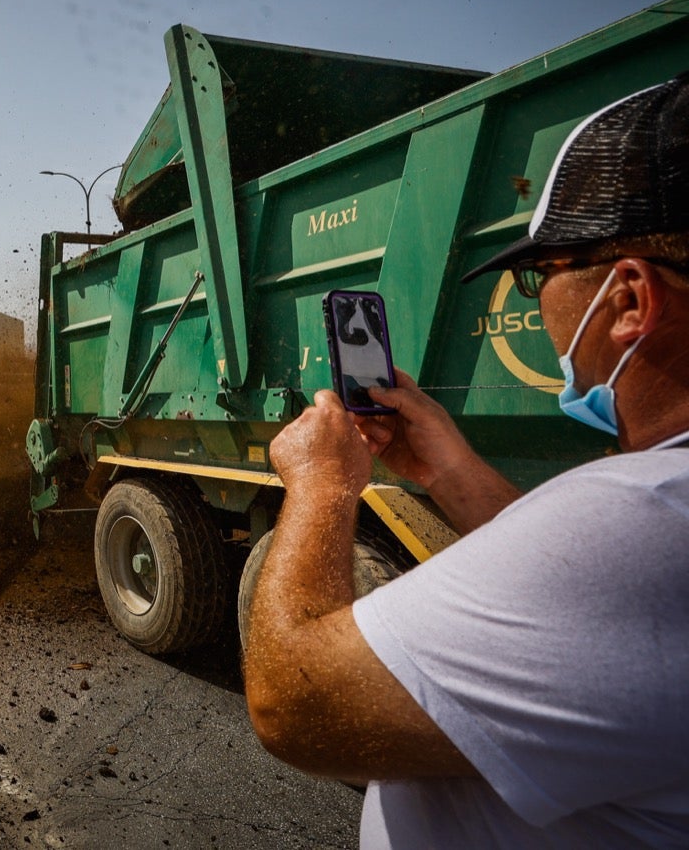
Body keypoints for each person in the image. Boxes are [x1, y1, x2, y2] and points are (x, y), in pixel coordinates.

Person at [244, 75, 689, 847]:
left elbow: (293, 703)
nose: (539, 302)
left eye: (538, 274)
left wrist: (322, 487)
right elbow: (575, 586)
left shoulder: (649, 514)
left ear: (628, 300)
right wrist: (446, 468)